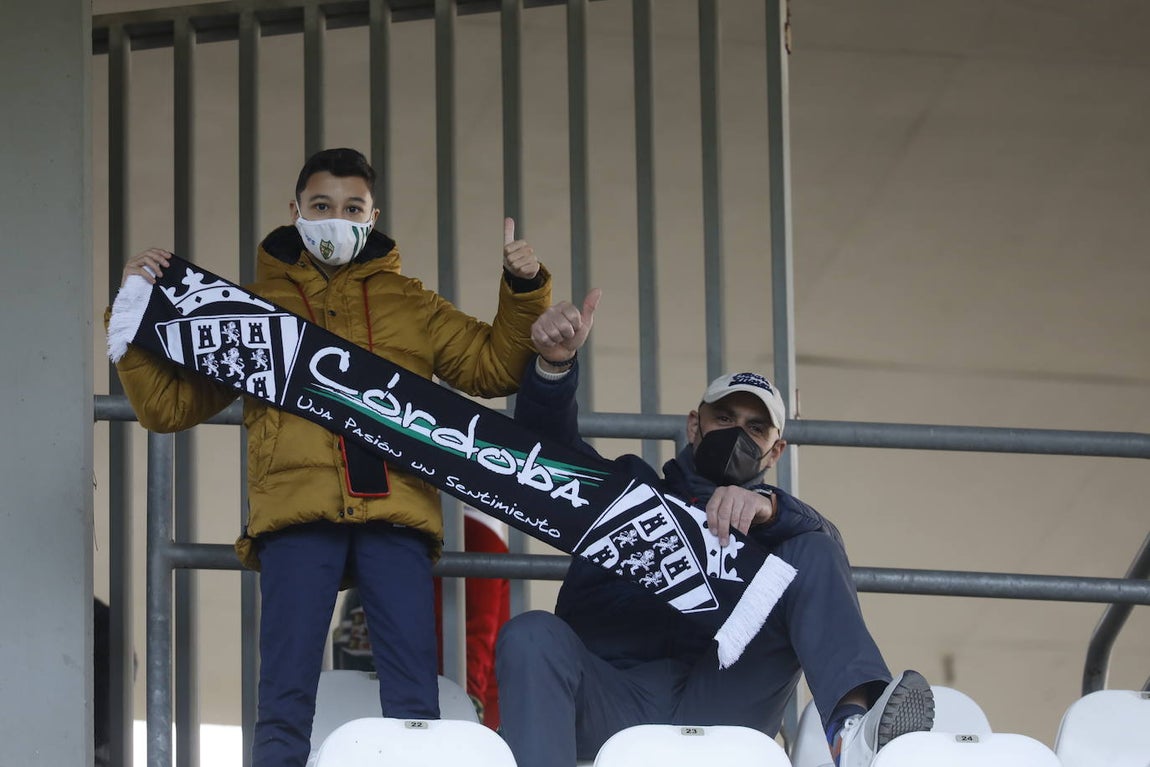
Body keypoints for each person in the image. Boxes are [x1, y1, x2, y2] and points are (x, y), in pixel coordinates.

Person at [109, 147, 552, 767]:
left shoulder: (412, 303)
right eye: (322, 206)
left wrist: (524, 289)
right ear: (295, 212)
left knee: (413, 705)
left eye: (351, 207)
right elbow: (165, 407)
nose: (335, 218)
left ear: (372, 216)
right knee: (284, 700)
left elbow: (494, 366)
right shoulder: (251, 307)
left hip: (396, 515)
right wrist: (132, 307)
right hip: (297, 519)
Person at [495, 291, 934, 767]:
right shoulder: (627, 488)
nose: (736, 433)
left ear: (775, 451)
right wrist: (554, 370)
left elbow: (827, 545)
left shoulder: (784, 529)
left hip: (723, 706)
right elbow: (545, 458)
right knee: (532, 632)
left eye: (755, 428)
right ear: (693, 425)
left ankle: (852, 732)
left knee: (812, 551)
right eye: (723, 417)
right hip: (611, 697)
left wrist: (769, 508)